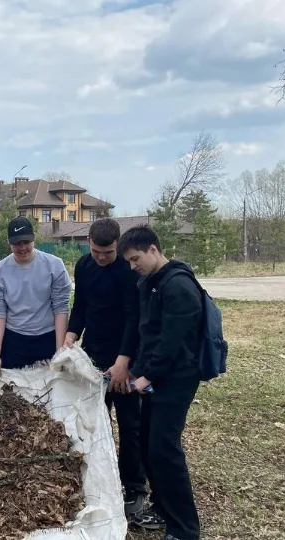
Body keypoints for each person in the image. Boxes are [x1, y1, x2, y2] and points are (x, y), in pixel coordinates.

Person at [119, 224, 202, 540]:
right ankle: (164, 509)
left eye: (135, 258)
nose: (132, 265)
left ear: (153, 249)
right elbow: (146, 333)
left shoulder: (178, 285)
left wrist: (144, 379)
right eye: (129, 260)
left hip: (177, 378)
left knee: (165, 450)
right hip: (154, 378)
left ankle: (184, 528)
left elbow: (170, 343)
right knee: (150, 448)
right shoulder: (150, 282)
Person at [63, 218, 148, 517]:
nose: (102, 258)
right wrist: (72, 334)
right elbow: (82, 305)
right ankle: (97, 480)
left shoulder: (128, 270)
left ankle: (135, 487)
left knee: (130, 425)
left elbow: (133, 317)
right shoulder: (84, 267)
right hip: (93, 355)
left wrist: (124, 361)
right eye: (97, 251)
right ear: (89, 242)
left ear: (118, 246)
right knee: (93, 422)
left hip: (124, 357)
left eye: (108, 253)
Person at [0, 216, 72, 372]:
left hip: (48, 336)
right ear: (9, 243)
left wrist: (60, 350)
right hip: (14, 338)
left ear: (34, 239)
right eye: (17, 244)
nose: (22, 248)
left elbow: (61, 308)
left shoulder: (54, 266)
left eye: (26, 242)